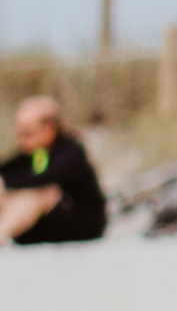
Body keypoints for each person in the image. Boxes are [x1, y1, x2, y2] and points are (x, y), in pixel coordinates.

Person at [1, 97, 108, 246]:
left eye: (28, 133)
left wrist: (5, 183)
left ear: (49, 129)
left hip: (79, 226)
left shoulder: (71, 151)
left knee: (40, 192)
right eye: (19, 134)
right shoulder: (35, 154)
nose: (22, 140)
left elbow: (44, 177)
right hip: (41, 229)